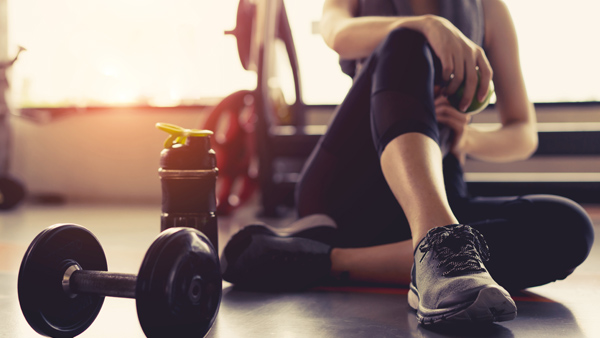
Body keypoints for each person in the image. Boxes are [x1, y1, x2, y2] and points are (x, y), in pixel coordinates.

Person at [220, 0, 595, 325]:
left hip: (440, 191)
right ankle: (438, 248)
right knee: (407, 39)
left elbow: (523, 133)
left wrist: (469, 138)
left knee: (570, 226)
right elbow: (335, 32)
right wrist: (426, 25)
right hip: (349, 188)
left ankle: (328, 259)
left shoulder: (489, 10)